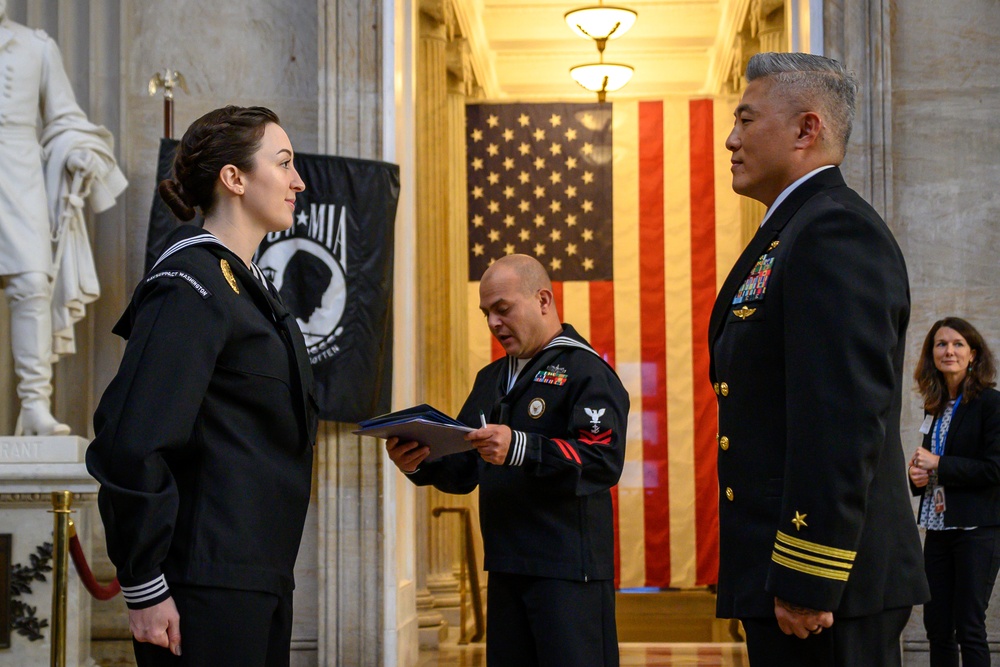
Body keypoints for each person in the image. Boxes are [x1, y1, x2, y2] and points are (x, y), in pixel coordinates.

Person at [708, 52, 929, 665]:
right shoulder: (794, 231)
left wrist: (807, 577)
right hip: (793, 576)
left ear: (807, 130)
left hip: (826, 588)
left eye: (746, 120)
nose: (731, 138)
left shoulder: (833, 231)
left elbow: (841, 418)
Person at [86, 106, 317, 667]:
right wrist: (143, 583)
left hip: (257, 575)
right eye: (282, 163)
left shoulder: (244, 287)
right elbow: (131, 441)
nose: (297, 180)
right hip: (202, 583)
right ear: (234, 179)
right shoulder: (189, 283)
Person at [387, 254, 629, 666]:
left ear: (543, 301)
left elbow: (602, 458)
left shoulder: (586, 371)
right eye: (486, 313)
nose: (493, 324)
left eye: (503, 309)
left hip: (567, 572)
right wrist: (418, 460)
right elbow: (463, 470)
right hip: (505, 565)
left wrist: (521, 446)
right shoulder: (492, 378)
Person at [0, 0, 127, 435]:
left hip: (18, 174)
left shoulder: (37, 47)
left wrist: (78, 151)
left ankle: (34, 404)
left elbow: (64, 117)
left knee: (33, 283)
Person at [908, 317, 1000, 667]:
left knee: (969, 628)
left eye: (958, 344)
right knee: (937, 627)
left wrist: (939, 463)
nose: (949, 351)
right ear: (931, 355)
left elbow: (995, 469)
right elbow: (932, 467)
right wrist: (918, 476)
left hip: (977, 531)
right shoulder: (935, 407)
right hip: (939, 529)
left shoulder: (990, 404)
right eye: (941, 344)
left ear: (973, 354)